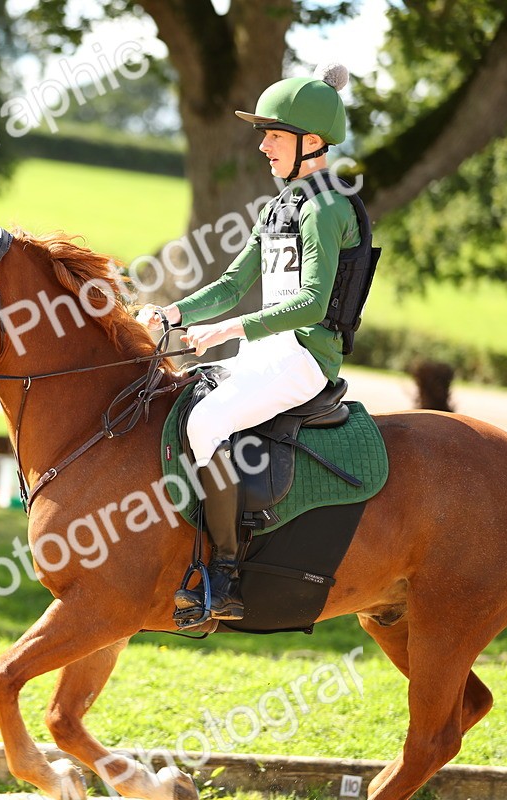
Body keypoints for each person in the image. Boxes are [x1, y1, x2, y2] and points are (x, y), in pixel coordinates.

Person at [139, 63, 372, 622]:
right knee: (177, 404)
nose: (264, 146)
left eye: (274, 135)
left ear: (309, 142)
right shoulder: (280, 206)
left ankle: (224, 574)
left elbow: (312, 305)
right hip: (266, 352)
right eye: (264, 134)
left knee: (205, 424)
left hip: (304, 359)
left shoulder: (324, 208)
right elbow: (231, 285)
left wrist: (227, 330)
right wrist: (171, 312)